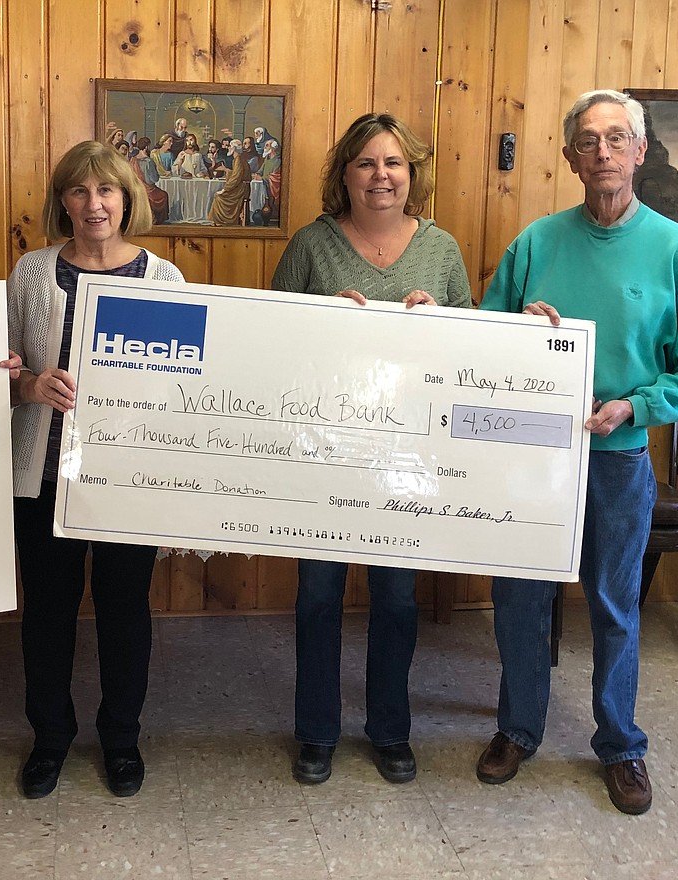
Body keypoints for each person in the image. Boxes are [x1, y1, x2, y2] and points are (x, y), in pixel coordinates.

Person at [475, 89, 678, 815]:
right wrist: (519, 329)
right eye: (589, 140)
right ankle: (518, 729)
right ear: (571, 156)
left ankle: (621, 745)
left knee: (614, 605)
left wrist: (635, 407)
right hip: (532, 454)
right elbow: (483, 340)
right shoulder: (537, 243)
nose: (603, 151)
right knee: (519, 599)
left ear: (640, 153)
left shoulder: (677, 249)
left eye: (617, 138)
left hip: (618, 458)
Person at [271, 112, 472, 786]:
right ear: (345, 174)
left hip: (406, 461)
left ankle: (390, 730)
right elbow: (268, 341)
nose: (380, 175)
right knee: (319, 598)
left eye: (392, 163)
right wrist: (324, 326)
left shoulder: (441, 250)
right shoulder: (311, 244)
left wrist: (439, 326)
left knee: (394, 600)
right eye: (365, 163)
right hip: (325, 451)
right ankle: (316, 733)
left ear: (411, 173)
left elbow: (471, 353)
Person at [6, 140, 185, 800]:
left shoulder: (163, 279)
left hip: (124, 485)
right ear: (64, 202)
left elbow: (183, 387)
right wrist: (28, 386)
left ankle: (121, 738)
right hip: (44, 477)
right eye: (79, 191)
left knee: (124, 613)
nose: (93, 203)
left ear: (126, 197)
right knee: (47, 615)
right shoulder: (31, 274)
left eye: (105, 190)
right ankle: (50, 737)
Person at [207, 139, 252, 226]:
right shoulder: (237, 159)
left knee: (219, 196)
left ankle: (222, 221)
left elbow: (236, 178)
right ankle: (218, 221)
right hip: (240, 187)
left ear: (234, 148)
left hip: (240, 189)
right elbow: (236, 174)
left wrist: (225, 189)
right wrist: (227, 170)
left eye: (230, 146)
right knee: (218, 195)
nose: (229, 148)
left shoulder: (238, 159)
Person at [128, 136, 170, 225]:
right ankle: (157, 220)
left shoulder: (132, 160)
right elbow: (152, 180)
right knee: (164, 195)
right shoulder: (148, 161)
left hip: (136, 188)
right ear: (146, 147)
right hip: (147, 190)